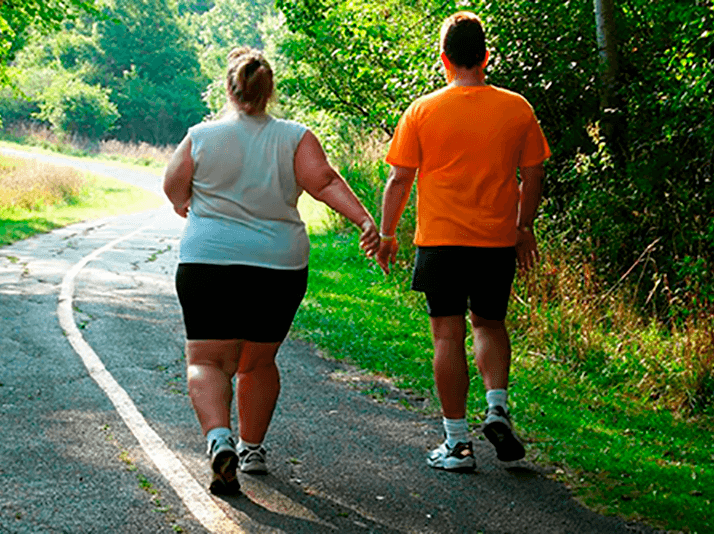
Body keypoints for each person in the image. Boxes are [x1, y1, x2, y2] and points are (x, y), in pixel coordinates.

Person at [163, 47, 380, 494]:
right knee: (258, 362)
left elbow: (172, 187)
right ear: (269, 90)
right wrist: (364, 221)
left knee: (207, 360)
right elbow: (325, 183)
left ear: (229, 86)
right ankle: (252, 449)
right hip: (277, 267)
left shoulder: (201, 136)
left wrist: (185, 204)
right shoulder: (295, 136)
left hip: (208, 263)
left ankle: (219, 438)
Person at [375, 11, 551, 472]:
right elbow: (533, 175)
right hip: (496, 241)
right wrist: (524, 227)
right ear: (486, 56)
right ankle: (497, 406)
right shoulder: (517, 108)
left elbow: (399, 180)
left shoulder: (422, 110)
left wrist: (388, 233)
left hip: (441, 243)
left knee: (446, 336)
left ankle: (457, 444)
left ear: (444, 59)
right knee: (490, 324)